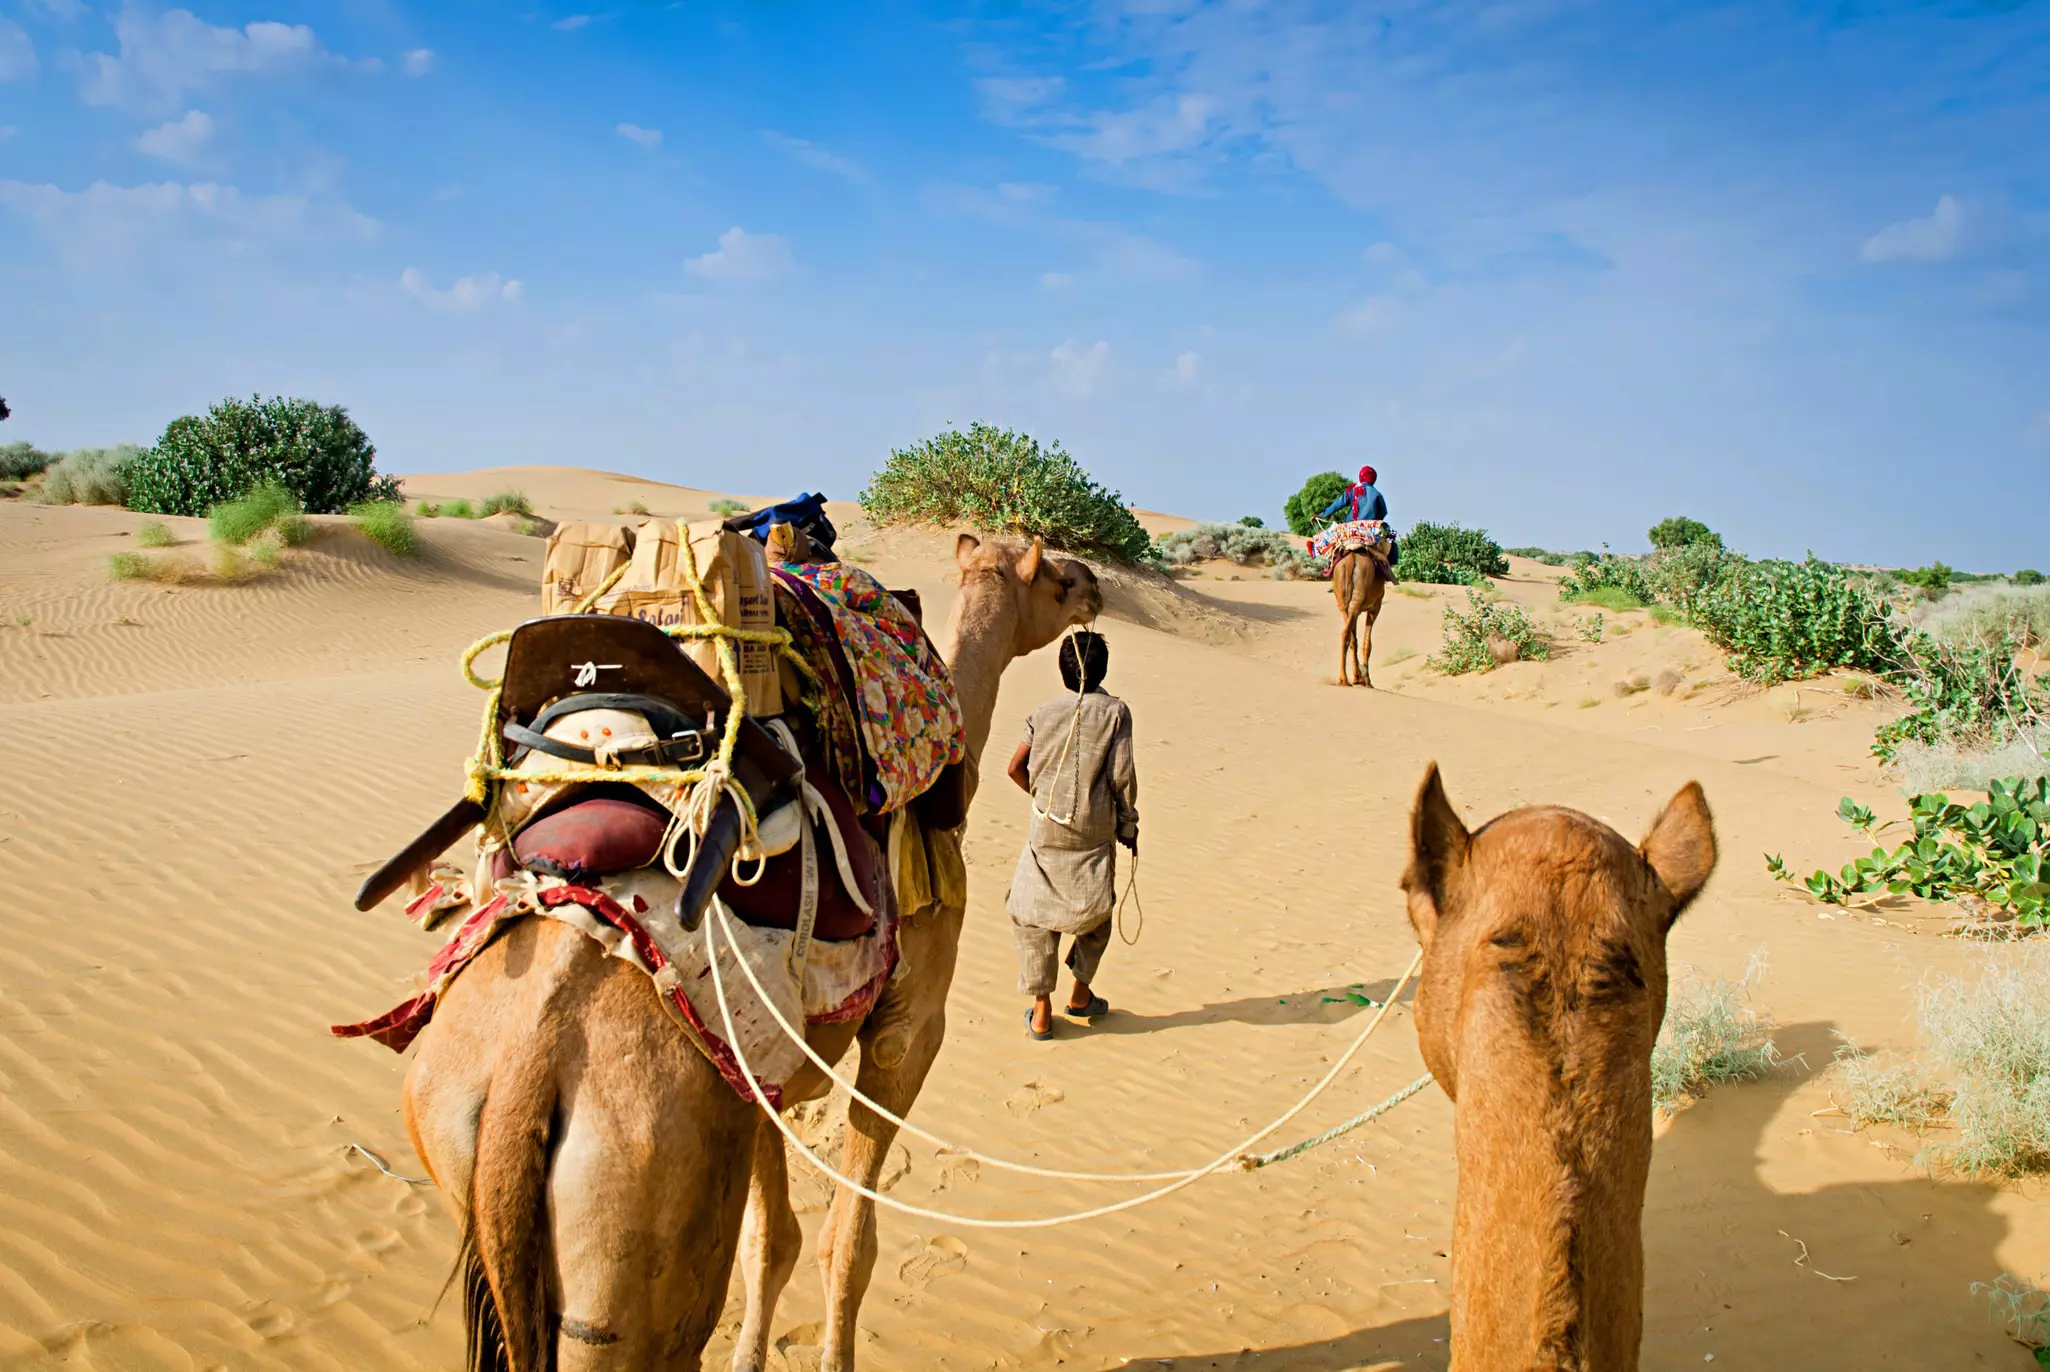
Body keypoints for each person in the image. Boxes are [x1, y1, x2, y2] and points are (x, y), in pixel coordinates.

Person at [1005, 629, 1138, 1040]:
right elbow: (1122, 777)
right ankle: (1080, 995)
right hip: (1092, 834)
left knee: (1031, 916)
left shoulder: (1041, 713)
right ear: (1102, 670)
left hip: (1046, 833)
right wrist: (1128, 824)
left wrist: (1043, 800)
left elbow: (1014, 768)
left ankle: (1041, 1011)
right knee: (1097, 914)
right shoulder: (1116, 712)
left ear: (1063, 672)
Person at [1319, 465, 1388, 525]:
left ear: (1361, 476)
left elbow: (1339, 503)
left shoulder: (1353, 489)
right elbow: (1383, 512)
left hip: (1351, 527)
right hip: (1370, 530)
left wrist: (1322, 515)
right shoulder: (1377, 494)